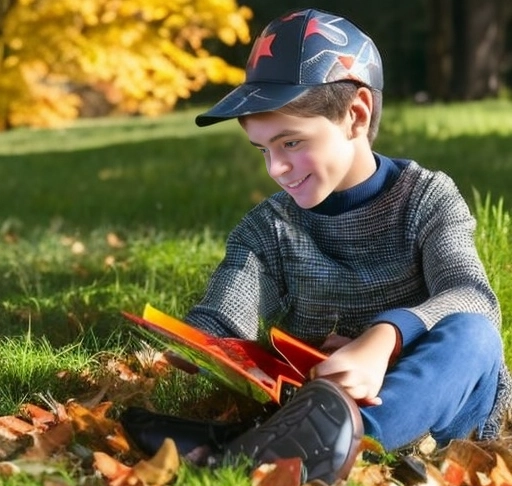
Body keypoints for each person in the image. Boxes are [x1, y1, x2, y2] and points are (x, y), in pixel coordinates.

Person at [122, 8, 512, 484]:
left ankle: (275, 446)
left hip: (440, 410)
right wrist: (192, 344)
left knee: (474, 336)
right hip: (316, 398)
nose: (275, 169)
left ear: (356, 115)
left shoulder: (427, 199)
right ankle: (275, 446)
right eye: (263, 150)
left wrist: (382, 340)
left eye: (290, 143)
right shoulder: (269, 227)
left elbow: (473, 297)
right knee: (294, 391)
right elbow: (225, 315)